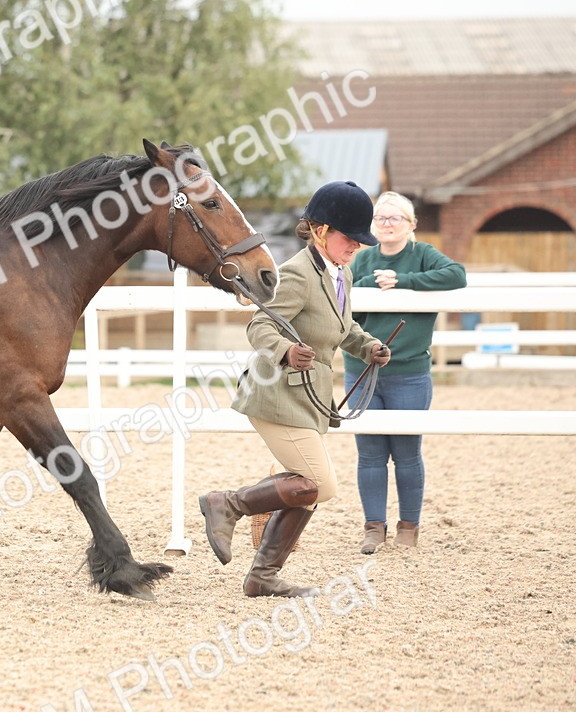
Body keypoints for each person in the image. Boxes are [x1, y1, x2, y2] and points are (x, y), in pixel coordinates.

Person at [200, 180, 391, 597]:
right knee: (319, 484)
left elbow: (342, 328)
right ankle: (227, 504)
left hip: (307, 398)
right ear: (321, 231)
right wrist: (286, 350)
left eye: (360, 239)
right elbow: (260, 325)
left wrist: (368, 346)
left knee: (308, 489)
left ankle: (262, 577)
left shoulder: (341, 273)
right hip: (276, 394)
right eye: (349, 237)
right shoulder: (297, 274)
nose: (357, 245)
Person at [344, 191, 466, 553]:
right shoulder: (362, 259)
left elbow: (456, 275)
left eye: (395, 217)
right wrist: (372, 286)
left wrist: (404, 281)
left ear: (411, 224)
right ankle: (373, 526)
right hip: (363, 369)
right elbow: (343, 300)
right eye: (380, 218)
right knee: (369, 453)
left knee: (407, 452)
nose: (387, 224)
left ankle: (409, 526)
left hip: (409, 370)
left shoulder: (423, 254)